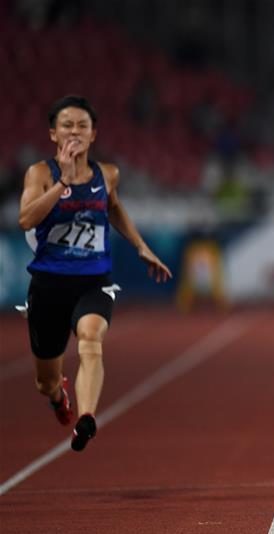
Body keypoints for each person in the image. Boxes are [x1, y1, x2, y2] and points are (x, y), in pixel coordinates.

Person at [18, 95, 172, 452]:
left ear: (93, 134)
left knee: (91, 338)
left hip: (94, 280)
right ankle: (58, 397)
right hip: (48, 285)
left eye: (82, 126)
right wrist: (63, 182)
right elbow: (26, 219)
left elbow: (113, 206)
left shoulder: (108, 174)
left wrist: (141, 246)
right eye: (67, 125)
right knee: (45, 382)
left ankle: (86, 418)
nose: (74, 131)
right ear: (53, 134)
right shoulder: (40, 174)